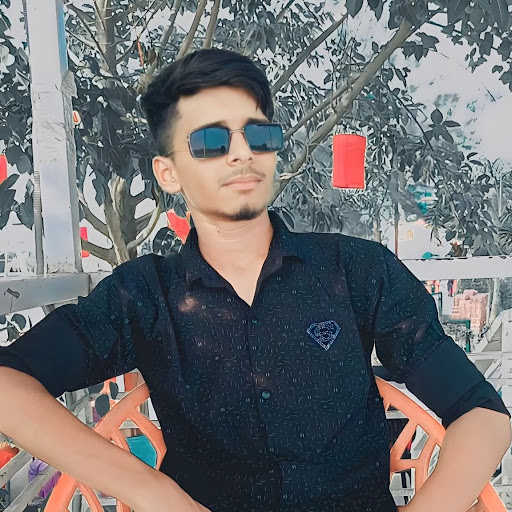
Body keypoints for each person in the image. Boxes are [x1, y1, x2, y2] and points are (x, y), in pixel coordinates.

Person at [0, 48, 510, 512]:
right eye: (211, 140)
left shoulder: (356, 270)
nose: (242, 153)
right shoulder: (144, 295)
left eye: (259, 135)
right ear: (168, 173)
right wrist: (152, 492)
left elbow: (482, 413)